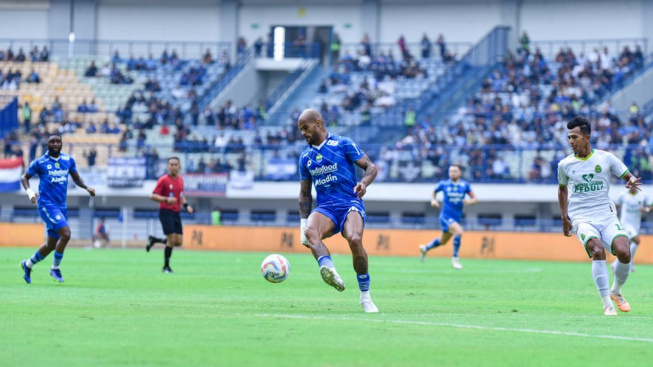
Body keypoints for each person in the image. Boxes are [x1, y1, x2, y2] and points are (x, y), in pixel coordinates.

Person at [557, 116, 641, 316]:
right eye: (568, 137)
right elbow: (562, 190)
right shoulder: (565, 164)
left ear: (587, 137)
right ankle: (607, 304)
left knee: (624, 252)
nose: (570, 141)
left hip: (606, 215)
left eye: (574, 137)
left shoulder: (605, 158)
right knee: (597, 250)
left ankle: (616, 292)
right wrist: (564, 217)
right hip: (582, 217)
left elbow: (627, 175)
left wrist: (630, 181)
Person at [297, 109, 379, 313]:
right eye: (300, 130)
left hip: (350, 202)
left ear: (318, 123)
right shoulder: (305, 157)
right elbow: (305, 195)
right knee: (311, 231)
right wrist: (302, 226)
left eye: (305, 128)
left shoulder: (343, 144)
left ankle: (365, 297)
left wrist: (364, 183)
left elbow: (371, 167)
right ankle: (330, 270)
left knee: (354, 239)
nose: (303, 133)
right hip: (326, 208)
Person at [19, 135, 96, 284]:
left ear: (61, 143)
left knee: (52, 244)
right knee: (66, 234)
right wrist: (30, 192)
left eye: (58, 141)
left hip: (61, 206)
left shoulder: (68, 160)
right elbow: (24, 178)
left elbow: (76, 178)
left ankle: (27, 264)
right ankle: (55, 268)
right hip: (46, 204)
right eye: (52, 142)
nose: (55, 144)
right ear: (47, 144)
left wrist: (87, 187)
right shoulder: (40, 162)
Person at [419, 164, 477, 269]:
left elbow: (475, 199)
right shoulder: (444, 184)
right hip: (445, 216)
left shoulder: (465, 185)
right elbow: (434, 191)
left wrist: (468, 201)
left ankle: (425, 248)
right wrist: (433, 200)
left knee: (442, 241)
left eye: (455, 171)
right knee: (459, 232)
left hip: (456, 218)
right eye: (450, 171)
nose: (452, 173)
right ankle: (455, 259)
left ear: (460, 173)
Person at [146, 157, 194, 273]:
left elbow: (181, 195)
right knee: (171, 239)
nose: (173, 166)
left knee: (179, 241)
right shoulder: (163, 180)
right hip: (165, 212)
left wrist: (186, 205)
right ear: (168, 166)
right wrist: (166, 199)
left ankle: (154, 240)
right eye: (171, 164)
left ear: (179, 166)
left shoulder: (181, 180)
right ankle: (166, 267)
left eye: (175, 164)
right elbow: (152, 196)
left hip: (176, 212)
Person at [612, 186, 652, 272]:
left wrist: (646, 209)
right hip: (625, 223)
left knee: (628, 245)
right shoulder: (623, 195)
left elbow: (650, 206)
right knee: (637, 241)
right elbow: (616, 206)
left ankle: (615, 264)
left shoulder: (643, 195)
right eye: (630, 184)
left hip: (636, 225)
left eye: (634, 185)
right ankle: (629, 263)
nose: (632, 186)